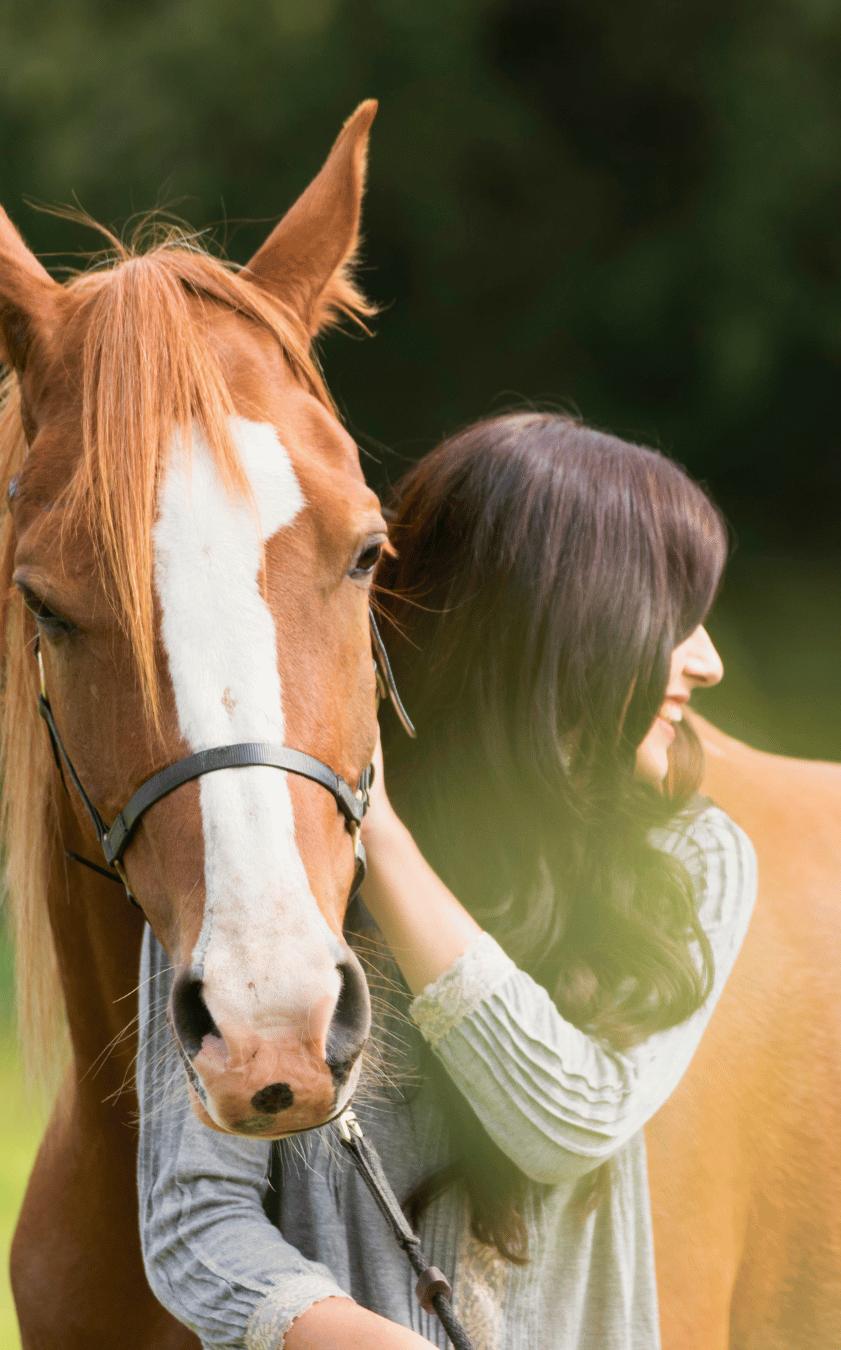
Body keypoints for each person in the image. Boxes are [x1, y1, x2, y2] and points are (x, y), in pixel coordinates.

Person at [136, 412, 757, 1350]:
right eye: (671, 619)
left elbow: (567, 1121)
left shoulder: (693, 860)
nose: (706, 661)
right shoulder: (258, 862)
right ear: (554, 629)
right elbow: (195, 1223)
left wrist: (381, 839)